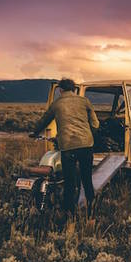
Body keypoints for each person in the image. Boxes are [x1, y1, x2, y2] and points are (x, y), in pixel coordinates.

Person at [33, 78, 99, 217]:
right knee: (87, 180)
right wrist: (89, 136)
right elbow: (95, 124)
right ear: (74, 89)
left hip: (68, 146)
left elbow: (44, 120)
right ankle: (92, 213)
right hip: (86, 145)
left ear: (60, 90)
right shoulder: (84, 101)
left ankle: (70, 214)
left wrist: (34, 132)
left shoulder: (56, 104)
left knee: (70, 182)